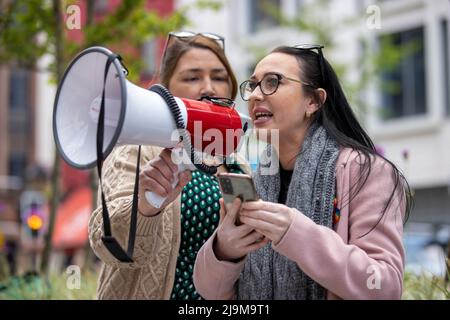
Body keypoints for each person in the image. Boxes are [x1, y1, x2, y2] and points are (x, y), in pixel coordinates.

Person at [193, 45, 413, 300]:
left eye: (272, 82)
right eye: (252, 85)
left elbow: (384, 287)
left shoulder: (366, 171)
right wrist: (225, 250)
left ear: (314, 101)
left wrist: (296, 233)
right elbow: (210, 291)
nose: (254, 95)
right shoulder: (253, 179)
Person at [88, 31, 250, 299]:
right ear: (167, 89)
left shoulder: (237, 165)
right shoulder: (137, 150)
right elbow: (110, 245)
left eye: (219, 77)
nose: (208, 87)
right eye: (192, 77)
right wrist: (146, 205)